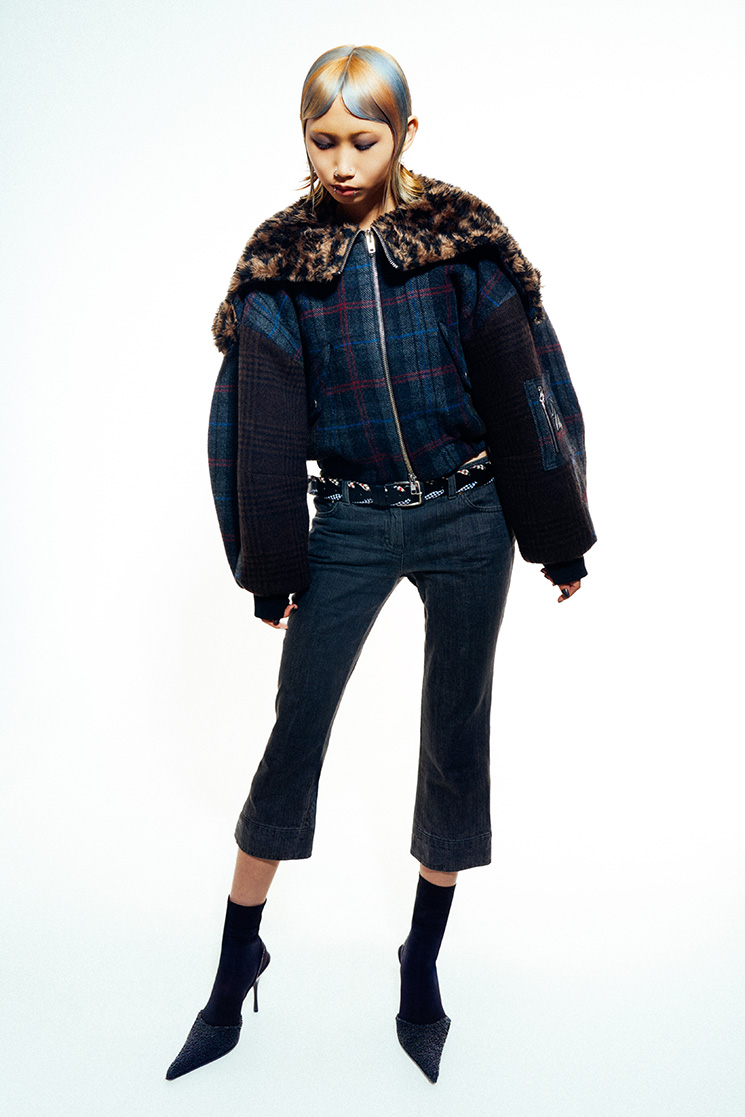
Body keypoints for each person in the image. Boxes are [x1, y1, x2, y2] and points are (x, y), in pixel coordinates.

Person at [166, 43, 596, 1085]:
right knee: (295, 732)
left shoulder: (461, 242)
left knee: (454, 735)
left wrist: (557, 530)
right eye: (322, 141)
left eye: (364, 139)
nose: (343, 162)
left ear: (406, 133)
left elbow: (527, 385)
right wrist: (270, 563)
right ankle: (231, 968)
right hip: (351, 523)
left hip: (470, 517)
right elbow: (256, 426)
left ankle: (421, 963)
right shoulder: (281, 262)